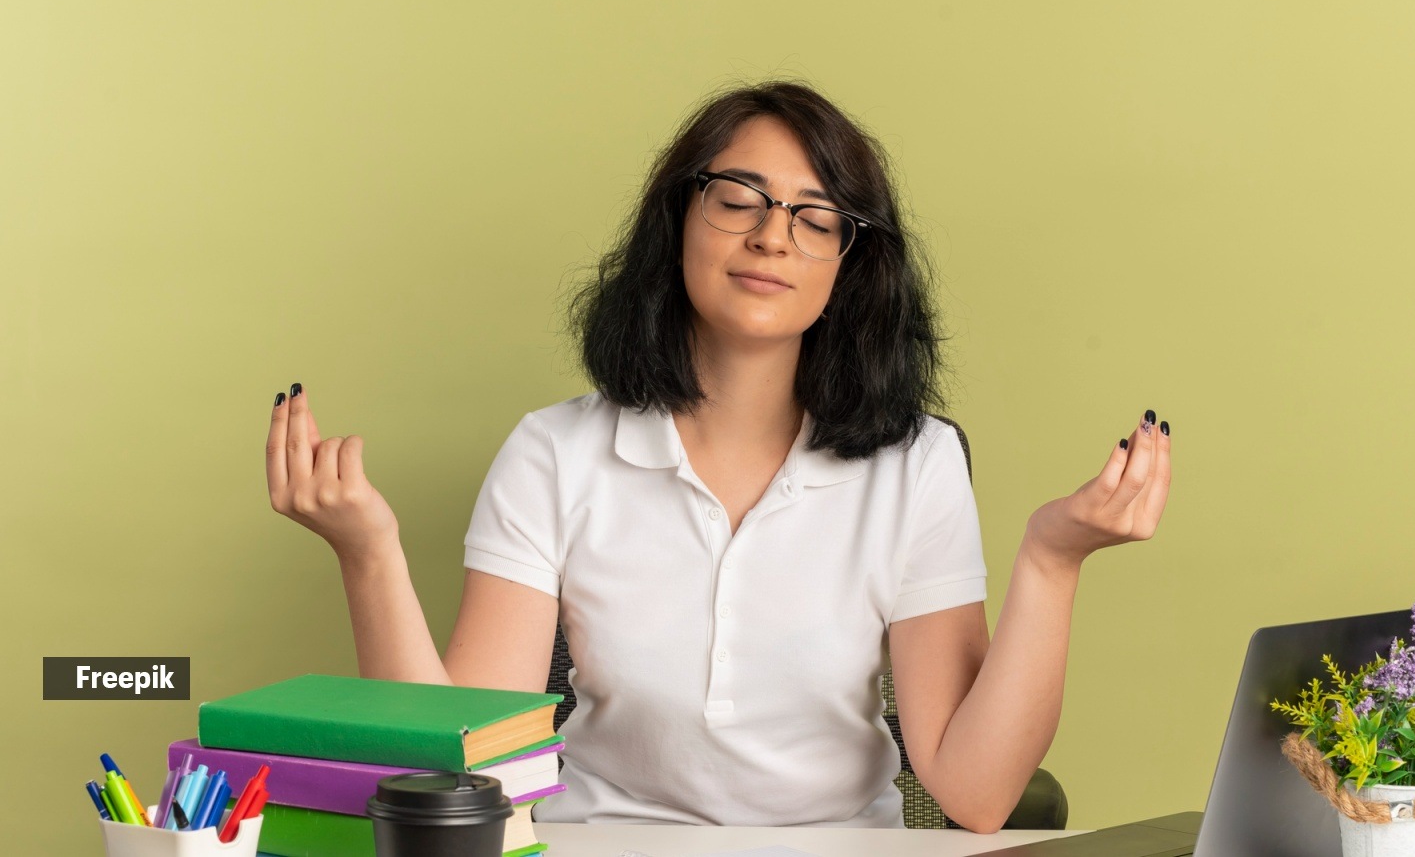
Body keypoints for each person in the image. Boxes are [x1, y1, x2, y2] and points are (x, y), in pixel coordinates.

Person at [263, 79, 1173, 833]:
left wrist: (1053, 561)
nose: (772, 235)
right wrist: (367, 553)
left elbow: (975, 796)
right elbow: (470, 774)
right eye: (738, 198)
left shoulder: (916, 463)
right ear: (679, 222)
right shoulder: (554, 452)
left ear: (849, 265)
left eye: (816, 218)